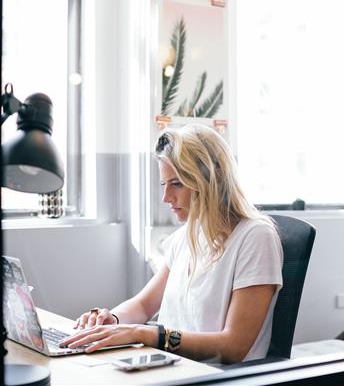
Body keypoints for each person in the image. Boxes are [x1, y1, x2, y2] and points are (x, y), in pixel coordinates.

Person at [60, 124, 284, 364]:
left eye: (177, 184)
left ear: (211, 180)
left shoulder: (256, 237)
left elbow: (233, 346)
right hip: (174, 370)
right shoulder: (187, 236)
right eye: (164, 185)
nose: (166, 198)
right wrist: (111, 320)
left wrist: (145, 334)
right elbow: (144, 305)